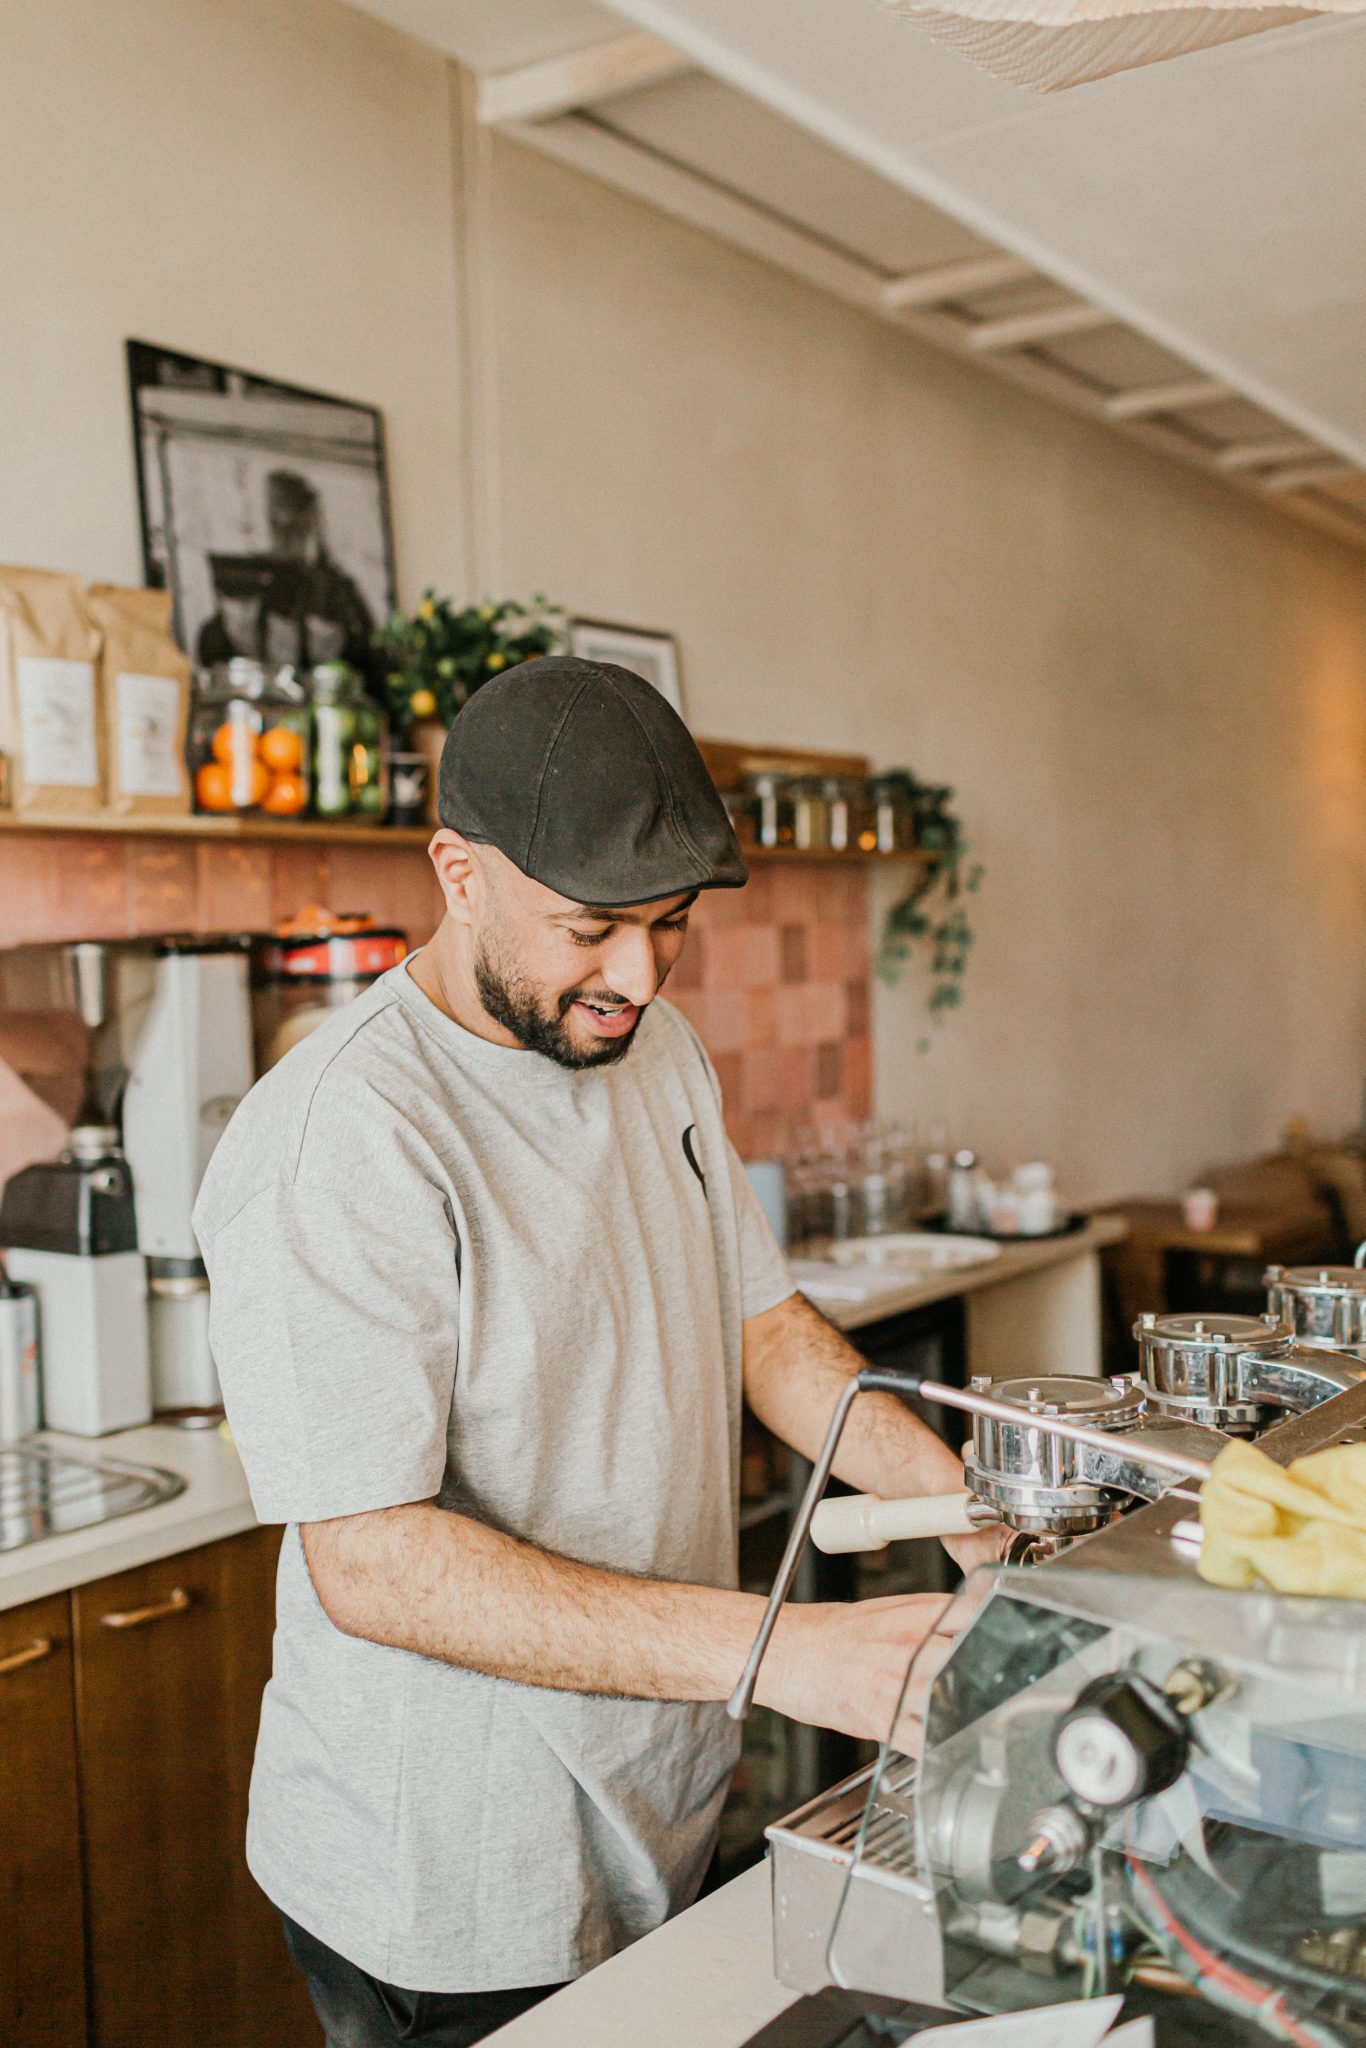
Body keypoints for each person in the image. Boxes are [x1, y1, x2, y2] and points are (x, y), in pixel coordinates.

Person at [194, 657, 998, 2048]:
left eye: (669, 926)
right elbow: (372, 1561)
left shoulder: (653, 1049)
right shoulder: (343, 1133)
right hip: (448, 1875)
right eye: (591, 930)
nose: (636, 974)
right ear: (458, 874)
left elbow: (761, 1328)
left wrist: (964, 1501)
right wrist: (784, 1651)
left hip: (655, 1794)